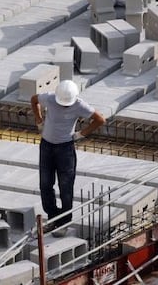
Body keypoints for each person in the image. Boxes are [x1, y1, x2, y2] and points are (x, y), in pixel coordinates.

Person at [31, 80, 105, 237]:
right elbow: (34, 99)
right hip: (46, 146)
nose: (65, 106)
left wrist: (81, 134)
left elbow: (100, 119)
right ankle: (52, 218)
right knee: (45, 184)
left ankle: (64, 222)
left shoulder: (79, 105)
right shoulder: (50, 98)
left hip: (65, 149)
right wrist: (39, 120)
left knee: (65, 187)